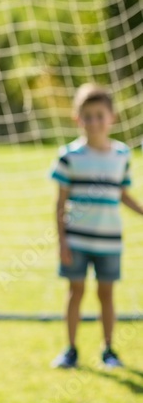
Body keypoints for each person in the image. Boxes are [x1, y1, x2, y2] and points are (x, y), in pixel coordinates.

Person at [50, 83, 143, 369]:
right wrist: (62, 242)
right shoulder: (69, 156)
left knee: (106, 295)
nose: (94, 121)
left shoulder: (122, 155)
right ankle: (71, 349)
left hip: (109, 241)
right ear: (77, 118)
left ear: (112, 116)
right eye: (87, 115)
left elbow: (122, 193)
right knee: (75, 292)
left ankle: (108, 350)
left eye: (99, 115)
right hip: (77, 242)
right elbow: (60, 204)